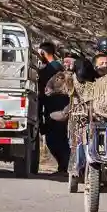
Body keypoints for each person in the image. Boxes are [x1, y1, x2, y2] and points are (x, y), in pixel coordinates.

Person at [37, 42, 69, 174]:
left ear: (42, 53)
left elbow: (44, 91)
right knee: (59, 139)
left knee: (55, 140)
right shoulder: (59, 66)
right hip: (60, 108)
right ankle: (63, 167)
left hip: (55, 109)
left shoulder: (50, 70)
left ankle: (64, 167)